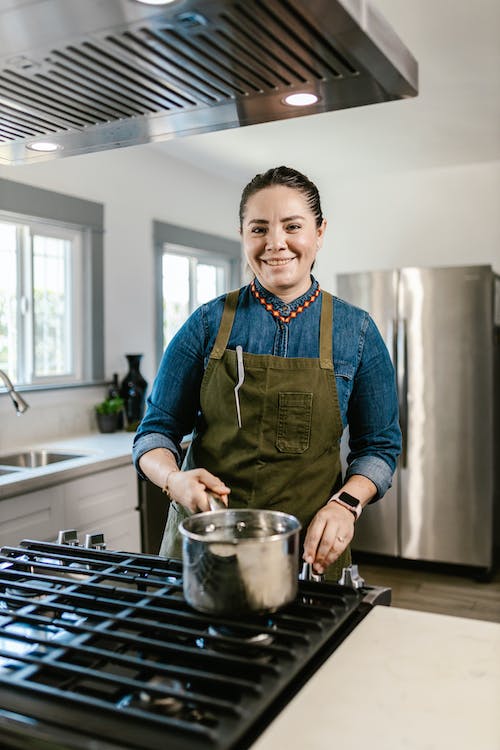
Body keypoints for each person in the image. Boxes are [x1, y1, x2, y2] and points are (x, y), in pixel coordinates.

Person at [133, 166, 401, 581]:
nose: (275, 244)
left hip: (307, 554)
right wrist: (174, 480)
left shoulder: (357, 332)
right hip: (205, 549)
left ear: (319, 232)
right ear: (242, 235)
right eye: (259, 229)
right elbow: (153, 433)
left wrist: (346, 504)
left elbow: (379, 447)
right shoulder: (207, 324)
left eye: (292, 226)